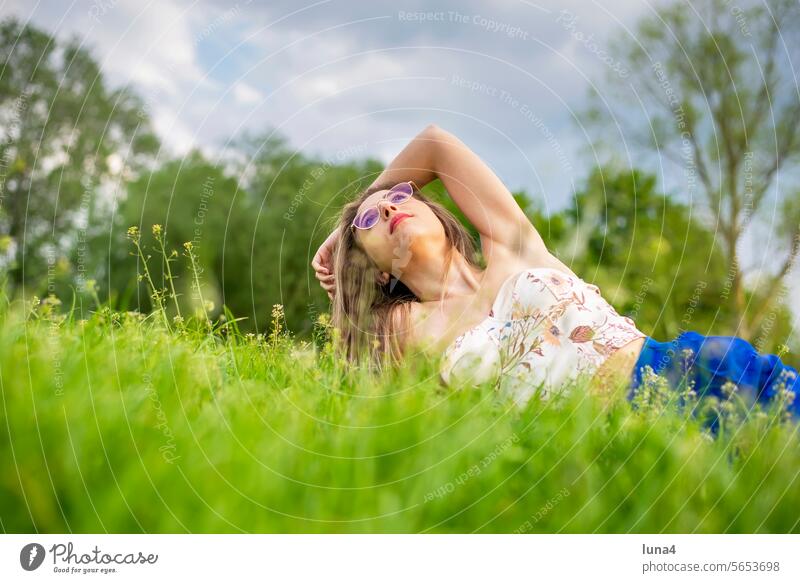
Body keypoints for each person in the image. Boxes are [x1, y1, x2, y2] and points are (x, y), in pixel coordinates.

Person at [311, 124, 798, 418]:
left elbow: (436, 145)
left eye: (399, 197)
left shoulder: (513, 250)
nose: (391, 209)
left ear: (439, 214)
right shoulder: (402, 327)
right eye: (371, 220)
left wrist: (344, 226)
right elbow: (362, 385)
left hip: (701, 371)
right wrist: (347, 241)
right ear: (373, 270)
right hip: (616, 438)